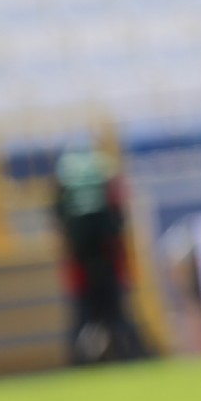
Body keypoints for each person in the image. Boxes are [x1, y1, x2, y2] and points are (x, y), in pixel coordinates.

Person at [53, 146, 148, 365]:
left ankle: (79, 361)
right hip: (108, 261)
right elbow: (119, 220)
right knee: (117, 314)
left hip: (80, 265)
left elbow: (58, 219)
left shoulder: (66, 183)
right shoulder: (104, 179)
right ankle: (131, 354)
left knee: (84, 316)